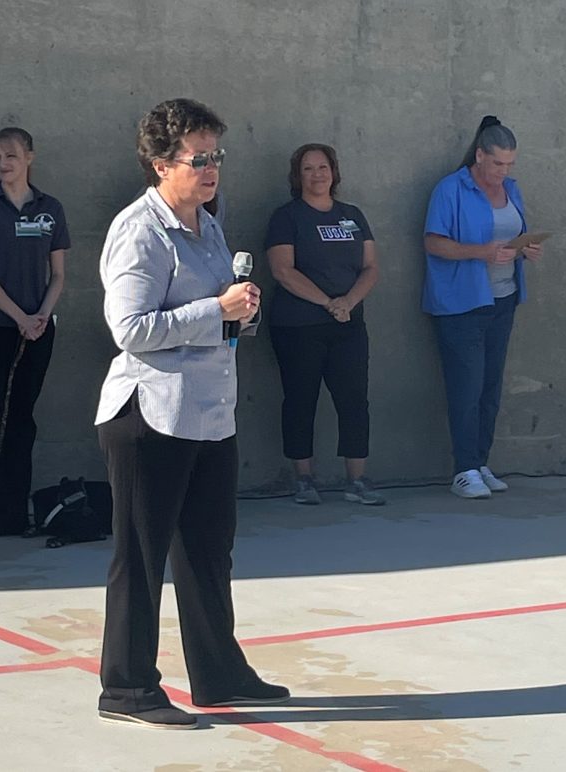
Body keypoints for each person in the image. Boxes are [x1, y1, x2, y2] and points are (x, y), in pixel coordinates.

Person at [94, 98, 288, 730]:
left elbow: (216, 314)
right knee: (141, 557)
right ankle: (127, 690)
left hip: (209, 413)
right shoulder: (140, 230)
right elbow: (129, 327)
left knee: (209, 552)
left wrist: (241, 314)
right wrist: (215, 312)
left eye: (217, 157)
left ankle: (218, 673)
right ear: (159, 164)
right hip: (149, 415)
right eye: (198, 159)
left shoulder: (211, 221)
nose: (211, 169)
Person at [422, 116, 543, 499]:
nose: (502, 172)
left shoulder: (512, 190)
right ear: (479, 156)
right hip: (461, 304)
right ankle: (464, 469)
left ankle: (480, 461)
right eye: (496, 164)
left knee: (491, 386)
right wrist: (481, 253)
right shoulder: (450, 189)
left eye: (509, 165)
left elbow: (511, 238)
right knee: (466, 387)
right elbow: (433, 242)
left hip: (503, 299)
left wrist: (526, 250)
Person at [0, 127, 69, 536]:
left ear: (29, 158)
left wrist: (40, 314)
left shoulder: (50, 208)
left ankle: (16, 508)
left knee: (22, 417)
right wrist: (18, 317)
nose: (3, 164)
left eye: (11, 156)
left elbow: (57, 275)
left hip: (38, 328)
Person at [264, 143, 384, 506]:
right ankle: (304, 480)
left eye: (323, 168)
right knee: (301, 400)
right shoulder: (287, 217)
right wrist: (328, 303)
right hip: (298, 326)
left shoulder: (352, 215)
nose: (317, 175)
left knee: (354, 401)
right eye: (308, 169)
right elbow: (282, 270)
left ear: (334, 172)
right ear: (296, 176)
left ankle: (357, 481)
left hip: (348, 324)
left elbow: (371, 267)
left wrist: (348, 302)